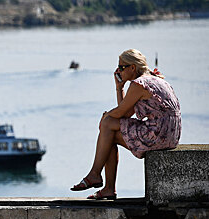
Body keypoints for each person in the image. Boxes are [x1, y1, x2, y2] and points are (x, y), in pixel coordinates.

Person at [71, 49, 181, 199]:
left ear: (132, 68)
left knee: (108, 125)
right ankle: (105, 186)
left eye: (122, 67)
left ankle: (96, 175)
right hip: (170, 135)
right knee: (109, 132)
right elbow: (127, 113)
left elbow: (121, 113)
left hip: (157, 134)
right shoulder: (155, 79)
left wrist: (105, 118)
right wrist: (119, 88)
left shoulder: (139, 84)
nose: (119, 71)